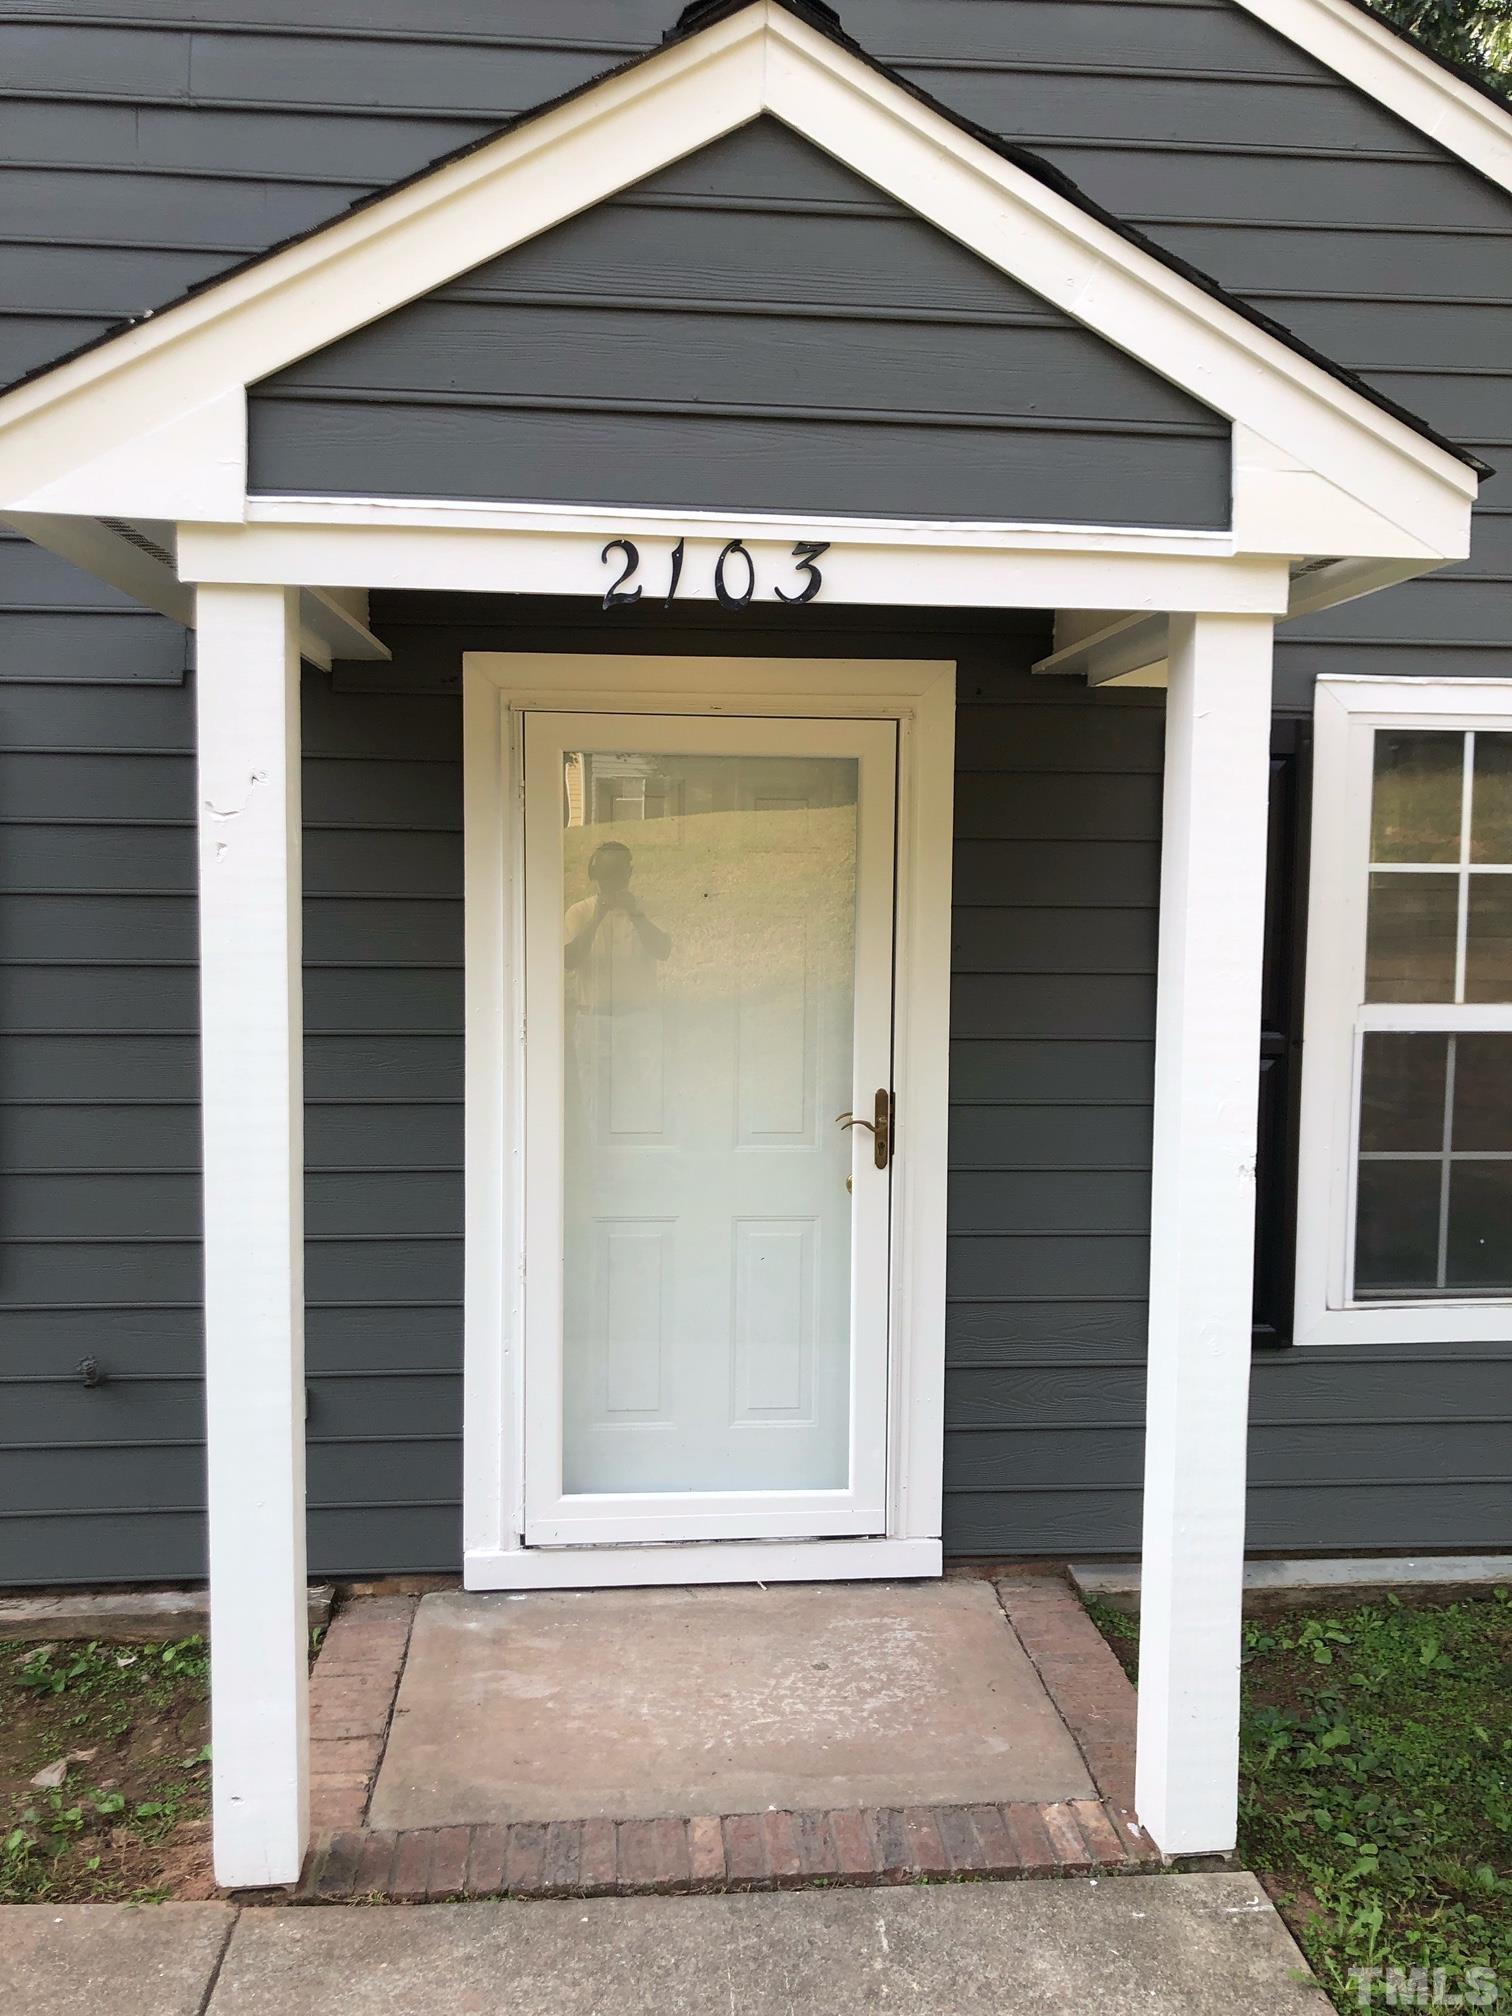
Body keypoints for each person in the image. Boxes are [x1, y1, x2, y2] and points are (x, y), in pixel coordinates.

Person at [563, 840, 671, 1015]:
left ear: (628, 874)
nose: (611, 885)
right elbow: (569, 961)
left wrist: (635, 914)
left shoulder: (645, 908)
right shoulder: (579, 912)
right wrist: (597, 917)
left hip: (638, 1015)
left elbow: (663, 951)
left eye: (617, 876)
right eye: (606, 878)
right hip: (593, 1015)